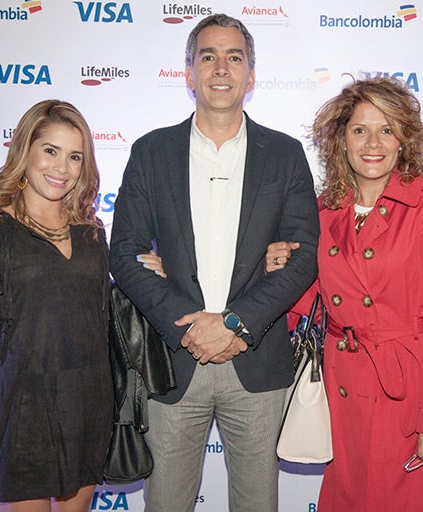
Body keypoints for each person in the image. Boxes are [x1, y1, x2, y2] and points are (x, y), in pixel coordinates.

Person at [108, 13, 319, 512]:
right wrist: (185, 326)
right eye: (208, 57)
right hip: (172, 361)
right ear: (188, 72)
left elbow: (304, 257)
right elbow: (125, 253)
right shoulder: (151, 152)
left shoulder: (285, 154)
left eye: (234, 57)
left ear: (251, 74)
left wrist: (235, 323)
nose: (221, 68)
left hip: (256, 357)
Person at [260, 77, 423, 511]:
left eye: (386, 130)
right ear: (341, 139)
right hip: (343, 389)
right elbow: (313, 303)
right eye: (360, 130)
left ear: (404, 140)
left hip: (409, 392)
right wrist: (276, 270)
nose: (373, 143)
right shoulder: (324, 210)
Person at [0, 100, 112, 512]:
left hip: (87, 400)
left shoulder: (91, 231)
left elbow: (98, 312)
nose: (62, 168)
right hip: (20, 406)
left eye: (75, 157)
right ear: (24, 150)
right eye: (50, 151)